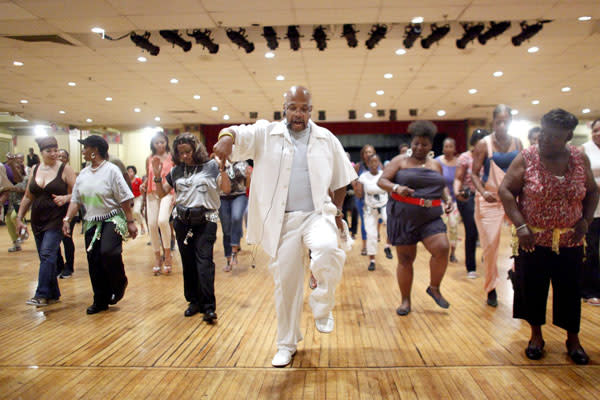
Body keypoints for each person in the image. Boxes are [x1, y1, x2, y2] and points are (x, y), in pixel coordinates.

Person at [213, 85, 356, 367]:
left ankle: (322, 303)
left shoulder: (326, 138)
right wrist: (226, 138)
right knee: (286, 284)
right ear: (284, 108)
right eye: (293, 107)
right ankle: (286, 345)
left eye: (304, 108)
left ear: (311, 111)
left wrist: (338, 211)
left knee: (328, 250)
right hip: (283, 222)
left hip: (317, 214)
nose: (298, 113)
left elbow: (341, 180)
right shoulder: (266, 133)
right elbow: (235, 132)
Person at [499, 109, 598, 365]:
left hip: (571, 240)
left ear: (567, 136)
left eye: (553, 136)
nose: (545, 139)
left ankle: (573, 340)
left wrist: (586, 220)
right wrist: (520, 226)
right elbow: (506, 190)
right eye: (543, 132)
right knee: (532, 289)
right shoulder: (527, 157)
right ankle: (536, 337)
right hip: (533, 240)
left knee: (570, 289)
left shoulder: (579, 158)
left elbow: (592, 191)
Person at [378, 120, 453, 316]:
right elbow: (382, 180)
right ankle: (405, 301)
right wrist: (397, 187)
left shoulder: (435, 164)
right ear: (411, 142)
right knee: (405, 259)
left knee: (443, 248)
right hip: (404, 217)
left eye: (424, 144)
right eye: (416, 143)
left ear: (431, 145)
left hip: (431, 217)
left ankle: (434, 287)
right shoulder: (400, 161)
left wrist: (447, 198)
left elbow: (440, 186)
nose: (419, 147)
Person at [153, 133, 229, 322]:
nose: (185, 156)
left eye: (188, 151)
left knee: (204, 263)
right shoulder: (177, 170)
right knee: (188, 263)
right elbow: (162, 193)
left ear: (196, 149)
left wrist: (223, 169)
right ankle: (193, 301)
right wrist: (156, 176)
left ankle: (209, 306)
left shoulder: (211, 166)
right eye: (181, 153)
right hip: (182, 221)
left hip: (206, 219)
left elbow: (226, 189)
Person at [62, 135, 137, 314]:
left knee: (109, 252)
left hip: (112, 218)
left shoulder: (111, 170)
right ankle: (100, 300)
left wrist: (130, 221)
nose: (83, 151)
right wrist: (67, 219)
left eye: (85, 147)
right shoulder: (84, 174)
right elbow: (76, 200)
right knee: (94, 261)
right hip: (91, 222)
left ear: (95, 150)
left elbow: (125, 198)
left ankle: (119, 283)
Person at [471, 104, 523, 307]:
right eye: (498, 121)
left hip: (512, 198)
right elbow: (474, 173)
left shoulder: (518, 142)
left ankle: (517, 273)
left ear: (510, 121)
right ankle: (491, 287)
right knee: (490, 244)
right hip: (490, 198)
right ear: (493, 122)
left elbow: (525, 169)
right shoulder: (484, 144)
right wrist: (483, 192)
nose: (502, 125)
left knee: (524, 238)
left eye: (506, 121)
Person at [16, 137, 76, 307]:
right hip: (37, 220)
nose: (54, 154)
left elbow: (79, 193)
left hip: (56, 219)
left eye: (55, 150)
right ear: (41, 153)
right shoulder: (35, 169)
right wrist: (20, 217)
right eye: (49, 151)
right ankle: (53, 293)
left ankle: (41, 293)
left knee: (47, 254)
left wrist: (66, 198)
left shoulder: (65, 169)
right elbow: (28, 196)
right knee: (46, 257)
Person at [454, 129, 489, 278]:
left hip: (487, 197)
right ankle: (471, 267)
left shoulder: (490, 157)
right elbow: (458, 178)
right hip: (468, 197)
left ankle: (488, 259)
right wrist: (457, 192)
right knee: (471, 230)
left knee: (488, 232)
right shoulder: (465, 157)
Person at [142, 132, 175, 275]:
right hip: (152, 193)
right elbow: (148, 175)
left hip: (168, 192)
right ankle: (157, 257)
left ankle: (167, 255)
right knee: (152, 225)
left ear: (167, 142)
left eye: (162, 142)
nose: (160, 145)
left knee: (162, 221)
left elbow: (176, 176)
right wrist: (144, 184)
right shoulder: (149, 158)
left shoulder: (172, 157)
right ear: (152, 144)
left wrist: (177, 194)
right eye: (157, 143)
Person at [356, 154, 392, 271]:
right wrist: (356, 185)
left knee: (390, 224)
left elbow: (390, 190)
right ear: (368, 164)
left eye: (376, 162)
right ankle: (372, 260)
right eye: (371, 162)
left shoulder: (384, 175)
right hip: (370, 208)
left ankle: (387, 246)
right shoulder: (363, 176)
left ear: (379, 163)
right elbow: (359, 194)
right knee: (371, 234)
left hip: (384, 205)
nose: (374, 164)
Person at [580, 118, 600, 306]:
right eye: (595, 130)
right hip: (592, 210)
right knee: (592, 251)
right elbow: (581, 179)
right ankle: (589, 290)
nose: (598, 133)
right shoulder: (584, 150)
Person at [218, 158, 250, 272]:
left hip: (240, 195)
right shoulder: (216, 161)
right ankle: (228, 259)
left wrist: (249, 176)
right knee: (226, 228)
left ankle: (234, 251)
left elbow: (247, 184)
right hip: (222, 197)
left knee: (236, 217)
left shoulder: (242, 162)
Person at [435, 138, 460, 263]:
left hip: (455, 202)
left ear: (454, 148)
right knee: (441, 228)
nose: (448, 149)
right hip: (440, 201)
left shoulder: (459, 163)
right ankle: (441, 252)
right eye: (446, 146)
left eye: (451, 146)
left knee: (454, 227)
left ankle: (453, 252)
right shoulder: (437, 162)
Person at [55, 149, 77, 278]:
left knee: (66, 237)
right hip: (54, 210)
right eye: (59, 156)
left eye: (63, 156)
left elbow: (76, 192)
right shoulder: (51, 172)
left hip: (69, 208)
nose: (60, 158)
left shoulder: (69, 171)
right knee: (54, 239)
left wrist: (65, 198)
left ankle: (69, 266)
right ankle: (59, 265)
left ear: (67, 159)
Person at [127, 165, 147, 236]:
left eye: (131, 171)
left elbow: (143, 188)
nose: (130, 173)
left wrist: (144, 200)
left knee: (136, 212)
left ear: (134, 172)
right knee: (131, 215)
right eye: (128, 172)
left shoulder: (138, 180)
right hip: (130, 199)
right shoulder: (127, 181)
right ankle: (133, 230)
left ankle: (142, 227)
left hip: (138, 197)